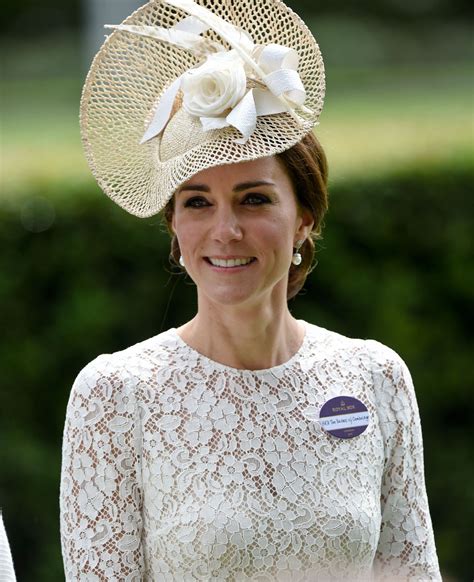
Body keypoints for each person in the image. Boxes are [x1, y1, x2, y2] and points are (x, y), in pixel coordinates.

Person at [60, 0, 442, 579]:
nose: (225, 230)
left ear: (306, 218)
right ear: (174, 226)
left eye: (254, 198)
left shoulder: (376, 376)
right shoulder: (115, 395)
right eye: (196, 202)